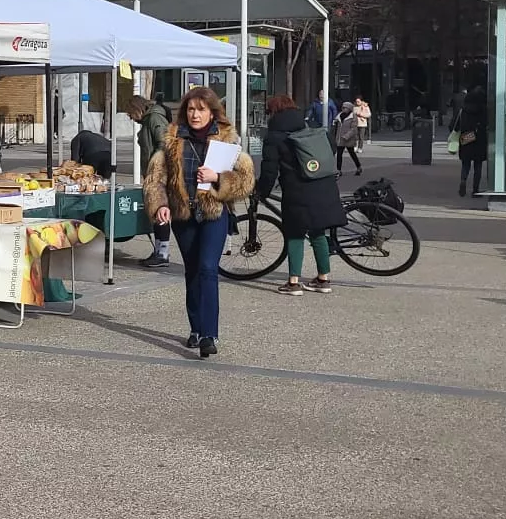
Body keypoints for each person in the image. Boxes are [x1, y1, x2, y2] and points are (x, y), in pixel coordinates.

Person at [142, 87, 253, 359]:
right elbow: (155, 178)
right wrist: (161, 205)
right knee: (192, 271)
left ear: (212, 112)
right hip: (184, 217)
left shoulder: (226, 141)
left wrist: (218, 178)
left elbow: (246, 180)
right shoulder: (171, 140)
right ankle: (195, 327)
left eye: (201, 109)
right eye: (191, 109)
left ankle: (208, 334)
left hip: (214, 214)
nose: (195, 114)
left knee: (207, 269)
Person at [254, 95, 345, 297]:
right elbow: (331, 149)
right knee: (318, 233)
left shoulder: (274, 136)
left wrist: (261, 192)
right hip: (323, 185)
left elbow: (269, 170)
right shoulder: (311, 125)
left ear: (272, 112)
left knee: (295, 233)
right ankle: (324, 279)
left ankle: (293, 282)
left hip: (297, 190)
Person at [127, 96, 173, 268]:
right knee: (157, 212)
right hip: (154, 173)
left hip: (159, 174)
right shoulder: (150, 119)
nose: (130, 117)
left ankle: (162, 253)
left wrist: (156, 168)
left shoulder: (154, 118)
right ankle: (160, 251)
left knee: (159, 211)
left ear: (137, 108)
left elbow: (164, 143)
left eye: (130, 113)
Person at [455, 91, 490, 197]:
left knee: (465, 164)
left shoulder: (463, 110)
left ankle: (463, 180)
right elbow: (487, 124)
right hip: (479, 139)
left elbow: (455, 125)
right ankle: (475, 190)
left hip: (466, 138)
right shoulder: (484, 110)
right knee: (478, 166)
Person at [334, 94, 367, 176]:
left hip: (348, 139)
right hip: (340, 139)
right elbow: (336, 128)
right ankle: (338, 170)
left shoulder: (353, 117)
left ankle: (358, 167)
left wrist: (347, 136)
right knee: (339, 155)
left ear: (349, 108)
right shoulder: (339, 116)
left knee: (352, 153)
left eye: (345, 107)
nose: (343, 109)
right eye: (343, 107)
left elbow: (353, 129)